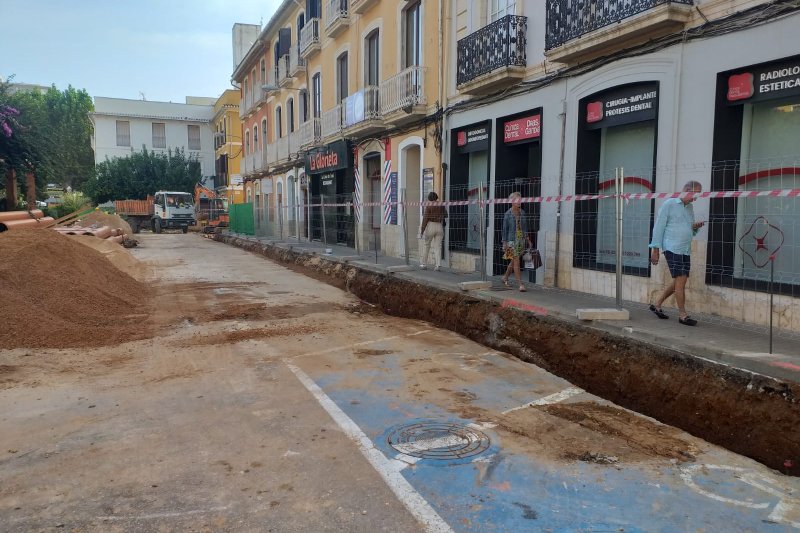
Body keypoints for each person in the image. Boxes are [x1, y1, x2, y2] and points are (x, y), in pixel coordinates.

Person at [649, 180, 705, 326]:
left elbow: (690, 229)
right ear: (687, 190)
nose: (696, 198)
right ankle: (683, 315)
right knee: (681, 280)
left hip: (685, 249)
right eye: (695, 194)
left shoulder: (689, 207)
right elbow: (658, 227)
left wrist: (696, 227)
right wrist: (655, 249)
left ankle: (657, 304)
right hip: (672, 248)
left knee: (680, 280)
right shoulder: (669, 204)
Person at [501, 191, 533, 292]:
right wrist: (504, 243)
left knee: (514, 261)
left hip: (520, 240)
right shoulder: (507, 214)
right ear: (511, 201)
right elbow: (504, 229)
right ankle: (520, 284)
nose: (519, 202)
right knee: (516, 262)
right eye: (516, 200)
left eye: (520, 200)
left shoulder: (522, 212)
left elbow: (525, 227)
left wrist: (527, 239)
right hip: (511, 241)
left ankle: (505, 277)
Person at [419, 191, 447, 271]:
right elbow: (446, 215)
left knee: (427, 245)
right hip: (439, 226)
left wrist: (422, 230)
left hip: (430, 225)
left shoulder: (429, 206)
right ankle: (438, 265)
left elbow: (425, 218)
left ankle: (424, 264)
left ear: (429, 198)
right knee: (438, 246)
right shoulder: (441, 204)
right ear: (436, 197)